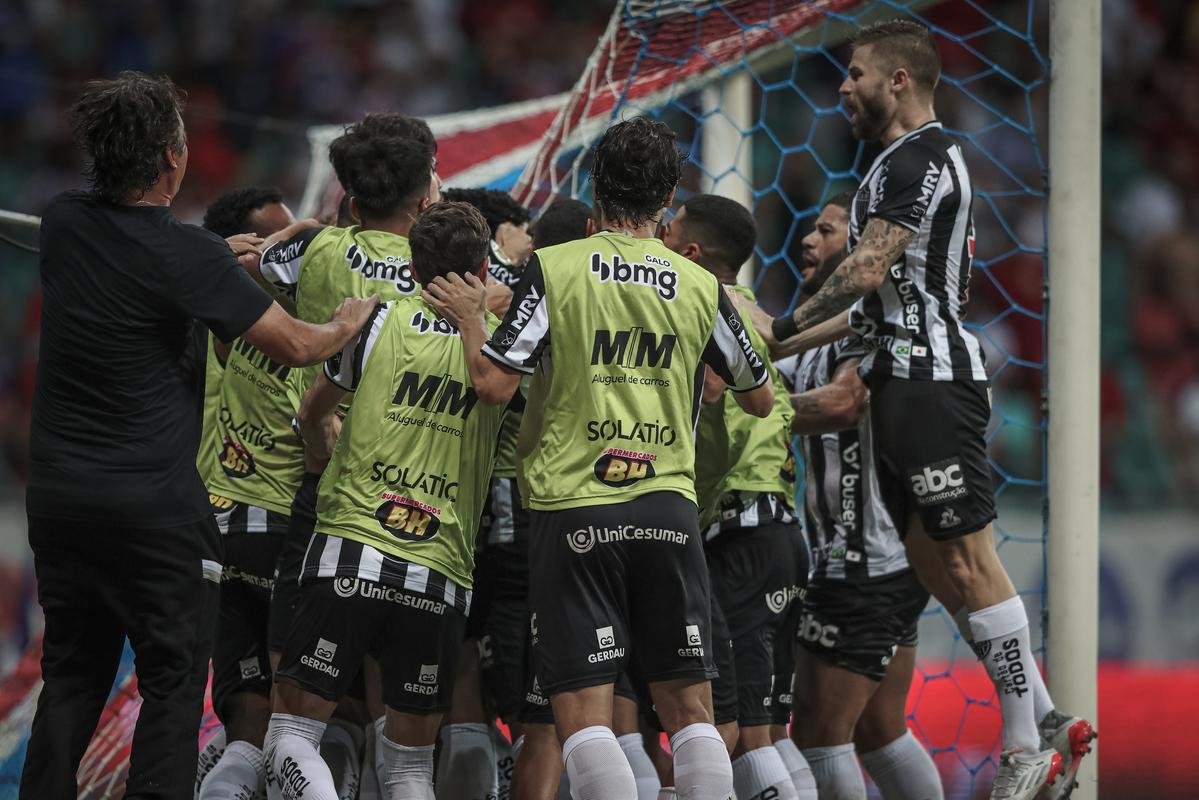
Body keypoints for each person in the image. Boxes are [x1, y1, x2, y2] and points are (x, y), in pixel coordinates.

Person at [744, 21, 1092, 800]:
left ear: (898, 80)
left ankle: (1021, 744)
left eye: (855, 72)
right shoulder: (890, 165)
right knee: (939, 568)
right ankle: (1043, 718)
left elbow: (864, 272)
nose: (842, 86)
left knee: (968, 562)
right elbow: (868, 308)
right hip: (902, 377)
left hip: (931, 381)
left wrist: (785, 326)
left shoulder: (921, 159)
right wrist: (776, 341)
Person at [22, 71, 377, 800]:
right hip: (154, 512)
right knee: (174, 680)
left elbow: (143, 258)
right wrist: (346, 321)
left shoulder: (63, 223)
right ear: (171, 161)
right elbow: (299, 347)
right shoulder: (188, 256)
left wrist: (239, 257)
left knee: (70, 680)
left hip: (58, 504)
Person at [424, 116, 774, 800]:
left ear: (594, 190)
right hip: (668, 507)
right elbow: (758, 396)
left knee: (582, 717)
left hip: (574, 508)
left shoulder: (555, 269)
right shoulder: (698, 283)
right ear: (667, 200)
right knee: (689, 710)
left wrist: (471, 317)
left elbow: (494, 386)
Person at [265, 201, 510, 798]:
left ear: (412, 263)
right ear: (482, 265)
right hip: (440, 571)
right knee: (407, 769)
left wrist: (322, 438)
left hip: (349, 553)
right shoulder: (505, 350)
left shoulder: (374, 322)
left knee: (289, 739)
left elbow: (312, 409)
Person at [254, 111, 444, 796]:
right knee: (405, 749)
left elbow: (252, 261)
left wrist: (307, 228)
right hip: (433, 516)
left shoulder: (314, 253)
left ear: (351, 195)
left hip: (330, 499)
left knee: (293, 722)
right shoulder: (447, 279)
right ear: (426, 196)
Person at [777, 192, 943, 800]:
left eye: (825, 229)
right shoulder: (811, 336)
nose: (807, 239)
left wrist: (754, 418)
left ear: (862, 247)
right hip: (871, 560)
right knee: (878, 730)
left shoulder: (871, 324)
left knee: (819, 734)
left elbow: (845, 403)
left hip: (864, 561)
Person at [660, 193, 816, 800]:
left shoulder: (707, 316)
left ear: (692, 251)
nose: (659, 241)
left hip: (741, 534)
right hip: (775, 533)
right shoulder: (753, 320)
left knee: (737, 729)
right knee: (765, 730)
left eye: (669, 232)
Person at [193, 186, 298, 796]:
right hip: (283, 538)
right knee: (303, 723)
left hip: (221, 539)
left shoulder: (205, 316)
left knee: (250, 723)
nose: (286, 253)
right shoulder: (286, 328)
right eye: (271, 239)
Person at [433, 187, 535, 800]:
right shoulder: (526, 289)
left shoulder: (434, 295)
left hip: (459, 505)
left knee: (470, 667)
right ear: (500, 236)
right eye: (522, 230)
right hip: (510, 506)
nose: (530, 242)